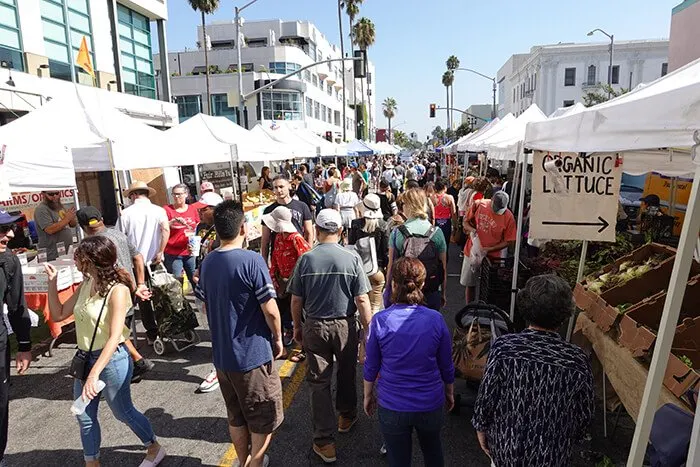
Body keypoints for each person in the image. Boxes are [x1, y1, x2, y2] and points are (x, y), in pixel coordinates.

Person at [45, 236, 165, 467]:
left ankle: (154, 447)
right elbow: (59, 314)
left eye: (78, 255)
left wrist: (93, 374)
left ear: (90, 260)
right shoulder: (85, 285)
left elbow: (114, 337)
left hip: (112, 360)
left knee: (123, 412)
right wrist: (52, 283)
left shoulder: (118, 290)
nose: (74, 259)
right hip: (86, 358)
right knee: (84, 416)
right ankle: (92, 463)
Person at [473, 274, 594, 467]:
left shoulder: (504, 348)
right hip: (553, 454)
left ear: (525, 307)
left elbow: (487, 396)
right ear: (565, 314)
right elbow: (584, 414)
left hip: (506, 447)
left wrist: (481, 427)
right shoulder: (576, 359)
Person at [197, 200, 284, 467]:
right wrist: (278, 338)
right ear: (243, 228)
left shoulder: (209, 260)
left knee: (235, 415)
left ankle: (243, 460)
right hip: (252, 354)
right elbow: (270, 310)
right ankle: (255, 463)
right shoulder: (252, 260)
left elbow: (203, 305)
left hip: (222, 356)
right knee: (262, 416)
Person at [287, 209, 372, 464]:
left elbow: (296, 299)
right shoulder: (351, 257)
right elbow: (362, 299)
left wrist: (297, 327)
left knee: (318, 381)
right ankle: (346, 415)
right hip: (345, 325)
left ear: (318, 228)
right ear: (341, 230)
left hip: (314, 325)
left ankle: (324, 440)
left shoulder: (306, 259)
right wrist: (369, 332)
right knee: (346, 372)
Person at [364, 257, 454, 467]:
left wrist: (368, 394)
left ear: (393, 284)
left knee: (398, 459)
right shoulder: (435, 320)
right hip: (430, 402)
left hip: (393, 404)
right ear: (423, 284)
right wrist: (449, 392)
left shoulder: (380, 320)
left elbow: (371, 365)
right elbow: (446, 364)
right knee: (433, 452)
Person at [75, 207, 154, 383]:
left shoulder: (96, 245)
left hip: (111, 295)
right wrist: (138, 285)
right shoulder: (118, 234)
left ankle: (124, 369)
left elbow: (117, 269)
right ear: (101, 218)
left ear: (82, 227)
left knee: (111, 336)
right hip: (126, 292)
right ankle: (137, 362)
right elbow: (138, 257)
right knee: (118, 333)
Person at [261, 176, 313, 347]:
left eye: (281, 186)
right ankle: (289, 330)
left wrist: (309, 260)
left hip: (297, 265)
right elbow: (266, 240)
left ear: (289, 186)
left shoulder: (301, 206)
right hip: (279, 265)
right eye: (275, 187)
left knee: (298, 300)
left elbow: (308, 232)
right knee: (282, 300)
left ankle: (301, 333)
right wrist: (265, 262)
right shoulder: (269, 210)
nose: (278, 190)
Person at [119, 181, 170, 343]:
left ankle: (152, 332)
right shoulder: (158, 210)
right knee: (161, 295)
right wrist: (161, 250)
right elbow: (166, 230)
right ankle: (166, 327)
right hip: (156, 259)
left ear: (134, 195)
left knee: (144, 298)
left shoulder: (125, 214)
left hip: (135, 262)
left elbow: (120, 237)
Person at [0, 212, 32, 466]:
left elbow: (17, 306)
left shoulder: (10, 261)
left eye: (9, 228)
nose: (10, 235)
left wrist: (24, 345)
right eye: (2, 230)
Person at [386, 189, 447, 311]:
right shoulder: (436, 232)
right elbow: (443, 268)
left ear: (408, 205)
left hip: (403, 293)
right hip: (430, 290)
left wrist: (388, 291)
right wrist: (443, 293)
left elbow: (391, 266)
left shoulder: (398, 232)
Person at [191, 191, 225, 394]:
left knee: (219, 329)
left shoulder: (224, 230)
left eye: (204, 209)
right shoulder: (202, 226)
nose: (200, 212)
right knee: (213, 327)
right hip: (204, 282)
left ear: (214, 210)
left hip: (216, 286)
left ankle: (219, 369)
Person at [461, 191, 517, 304]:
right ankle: (469, 307)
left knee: (488, 287)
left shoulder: (509, 217)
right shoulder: (479, 205)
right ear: (491, 200)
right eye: (495, 208)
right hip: (473, 252)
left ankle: (486, 309)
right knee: (470, 283)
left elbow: (509, 241)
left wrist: (489, 249)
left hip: (493, 257)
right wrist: (473, 230)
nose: (497, 212)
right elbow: (465, 222)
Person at [348, 194, 389, 313]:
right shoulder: (384, 225)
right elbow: (385, 250)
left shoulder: (356, 224)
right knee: (375, 306)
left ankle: (364, 328)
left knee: (362, 305)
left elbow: (351, 246)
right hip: (377, 269)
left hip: (360, 268)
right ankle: (373, 329)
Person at [163, 184, 200, 287]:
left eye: (179, 194)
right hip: (173, 252)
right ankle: (179, 303)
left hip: (190, 251)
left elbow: (197, 227)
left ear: (186, 195)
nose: (176, 197)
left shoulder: (192, 209)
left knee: (195, 279)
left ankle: (200, 301)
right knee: (176, 283)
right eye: (174, 194)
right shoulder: (167, 210)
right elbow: (161, 228)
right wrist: (171, 222)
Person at [34, 190, 76, 261]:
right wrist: (67, 218)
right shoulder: (41, 209)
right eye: (51, 194)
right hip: (52, 255)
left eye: (57, 193)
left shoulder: (60, 206)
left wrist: (71, 218)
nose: (55, 196)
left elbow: (73, 225)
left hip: (66, 252)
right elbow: (50, 230)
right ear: (43, 194)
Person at [432, 178, 457, 259]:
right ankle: (444, 262)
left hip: (434, 222)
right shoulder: (449, 197)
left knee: (434, 243)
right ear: (445, 187)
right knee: (445, 243)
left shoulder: (432, 198)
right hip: (446, 222)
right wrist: (455, 226)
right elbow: (453, 213)